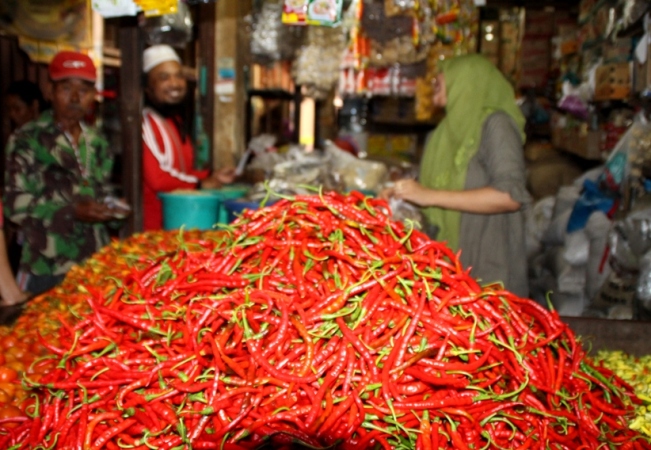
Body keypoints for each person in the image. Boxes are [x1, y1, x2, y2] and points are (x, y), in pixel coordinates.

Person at [382, 54, 530, 297]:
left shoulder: (496, 126)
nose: (435, 81)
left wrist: (429, 195)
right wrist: (402, 194)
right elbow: (437, 187)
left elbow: (509, 196)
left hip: (489, 275)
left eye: (444, 74)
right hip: (448, 274)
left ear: (466, 79)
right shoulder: (441, 134)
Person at [3, 50, 130, 296]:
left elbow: (100, 192)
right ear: (49, 91)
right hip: (45, 264)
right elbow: (14, 207)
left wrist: (113, 210)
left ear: (93, 95)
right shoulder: (28, 139)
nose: (74, 98)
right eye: (65, 89)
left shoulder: (97, 142)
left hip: (93, 265)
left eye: (83, 91)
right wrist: (73, 211)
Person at [142, 44, 235, 231]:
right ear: (148, 87)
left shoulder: (174, 121)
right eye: (164, 77)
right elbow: (158, 178)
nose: (175, 83)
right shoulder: (144, 122)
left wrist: (211, 176)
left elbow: (180, 170)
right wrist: (200, 183)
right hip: (154, 227)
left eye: (179, 75)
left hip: (181, 221)